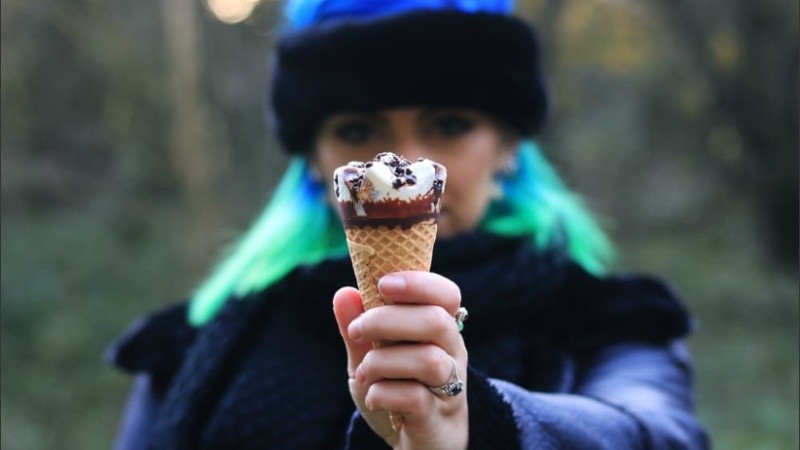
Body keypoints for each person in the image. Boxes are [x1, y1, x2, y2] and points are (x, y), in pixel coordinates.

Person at [107, 1, 710, 448]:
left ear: (508, 147)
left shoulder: (610, 322)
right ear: (315, 162)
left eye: (449, 124)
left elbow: (654, 433)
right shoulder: (201, 339)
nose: (400, 163)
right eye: (356, 130)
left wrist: (483, 423)